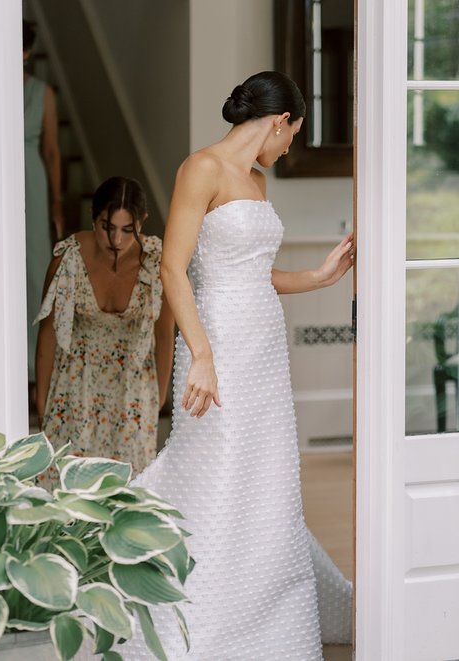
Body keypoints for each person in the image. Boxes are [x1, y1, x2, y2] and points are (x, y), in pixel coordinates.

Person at [113, 72, 354, 659]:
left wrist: (319, 277)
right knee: (215, 465)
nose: (290, 145)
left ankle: (266, 612)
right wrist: (201, 355)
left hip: (263, 346)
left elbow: (257, 274)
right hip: (214, 340)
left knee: (265, 475)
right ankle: (199, 616)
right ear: (279, 121)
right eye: (293, 132)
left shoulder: (257, 181)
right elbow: (174, 268)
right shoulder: (201, 169)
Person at [34, 177, 174, 479]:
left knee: (127, 485)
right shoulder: (67, 258)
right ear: (92, 217)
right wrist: (42, 399)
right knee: (67, 480)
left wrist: (158, 397)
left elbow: (165, 334)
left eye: (128, 229)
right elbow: (47, 332)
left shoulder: (157, 264)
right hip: (75, 383)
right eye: (106, 227)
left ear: (143, 221)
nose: (117, 241)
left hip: (133, 388)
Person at [24, 19, 64, 389]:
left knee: (37, 268)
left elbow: (51, 151)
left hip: (32, 179)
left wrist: (55, 201)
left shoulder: (42, 91)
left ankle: (36, 363)